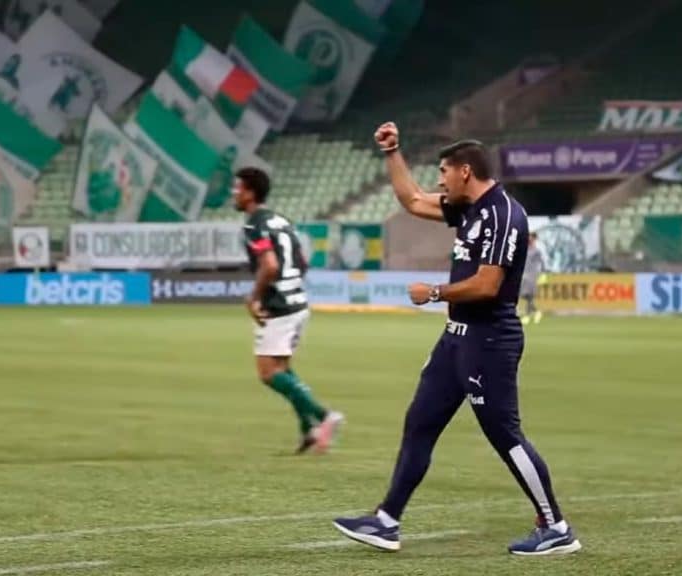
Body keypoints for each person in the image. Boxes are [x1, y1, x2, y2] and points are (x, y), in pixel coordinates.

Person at [332, 123, 580, 556]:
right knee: (420, 422)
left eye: (444, 171)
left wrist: (433, 292)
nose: (439, 179)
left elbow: (487, 285)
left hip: (489, 341)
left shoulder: (504, 215)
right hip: (456, 339)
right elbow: (411, 200)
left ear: (466, 171)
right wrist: (392, 152)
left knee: (504, 434)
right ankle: (386, 520)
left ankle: (556, 525)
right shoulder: (468, 209)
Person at [232, 167, 344, 454]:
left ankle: (323, 416)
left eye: (238, 188)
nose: (234, 193)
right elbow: (302, 262)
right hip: (297, 303)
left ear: (250, 192)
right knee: (283, 368)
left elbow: (269, 265)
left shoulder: (255, 224)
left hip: (278, 307)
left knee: (268, 373)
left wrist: (254, 298)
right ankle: (308, 430)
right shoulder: (280, 220)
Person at [520, 232, 545, 325]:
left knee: (528, 294)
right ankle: (537, 312)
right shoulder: (525, 249)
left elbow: (541, 262)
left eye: (531, 238)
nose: (529, 239)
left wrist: (543, 273)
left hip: (532, 275)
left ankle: (527, 315)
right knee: (524, 295)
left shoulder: (536, 251)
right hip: (524, 274)